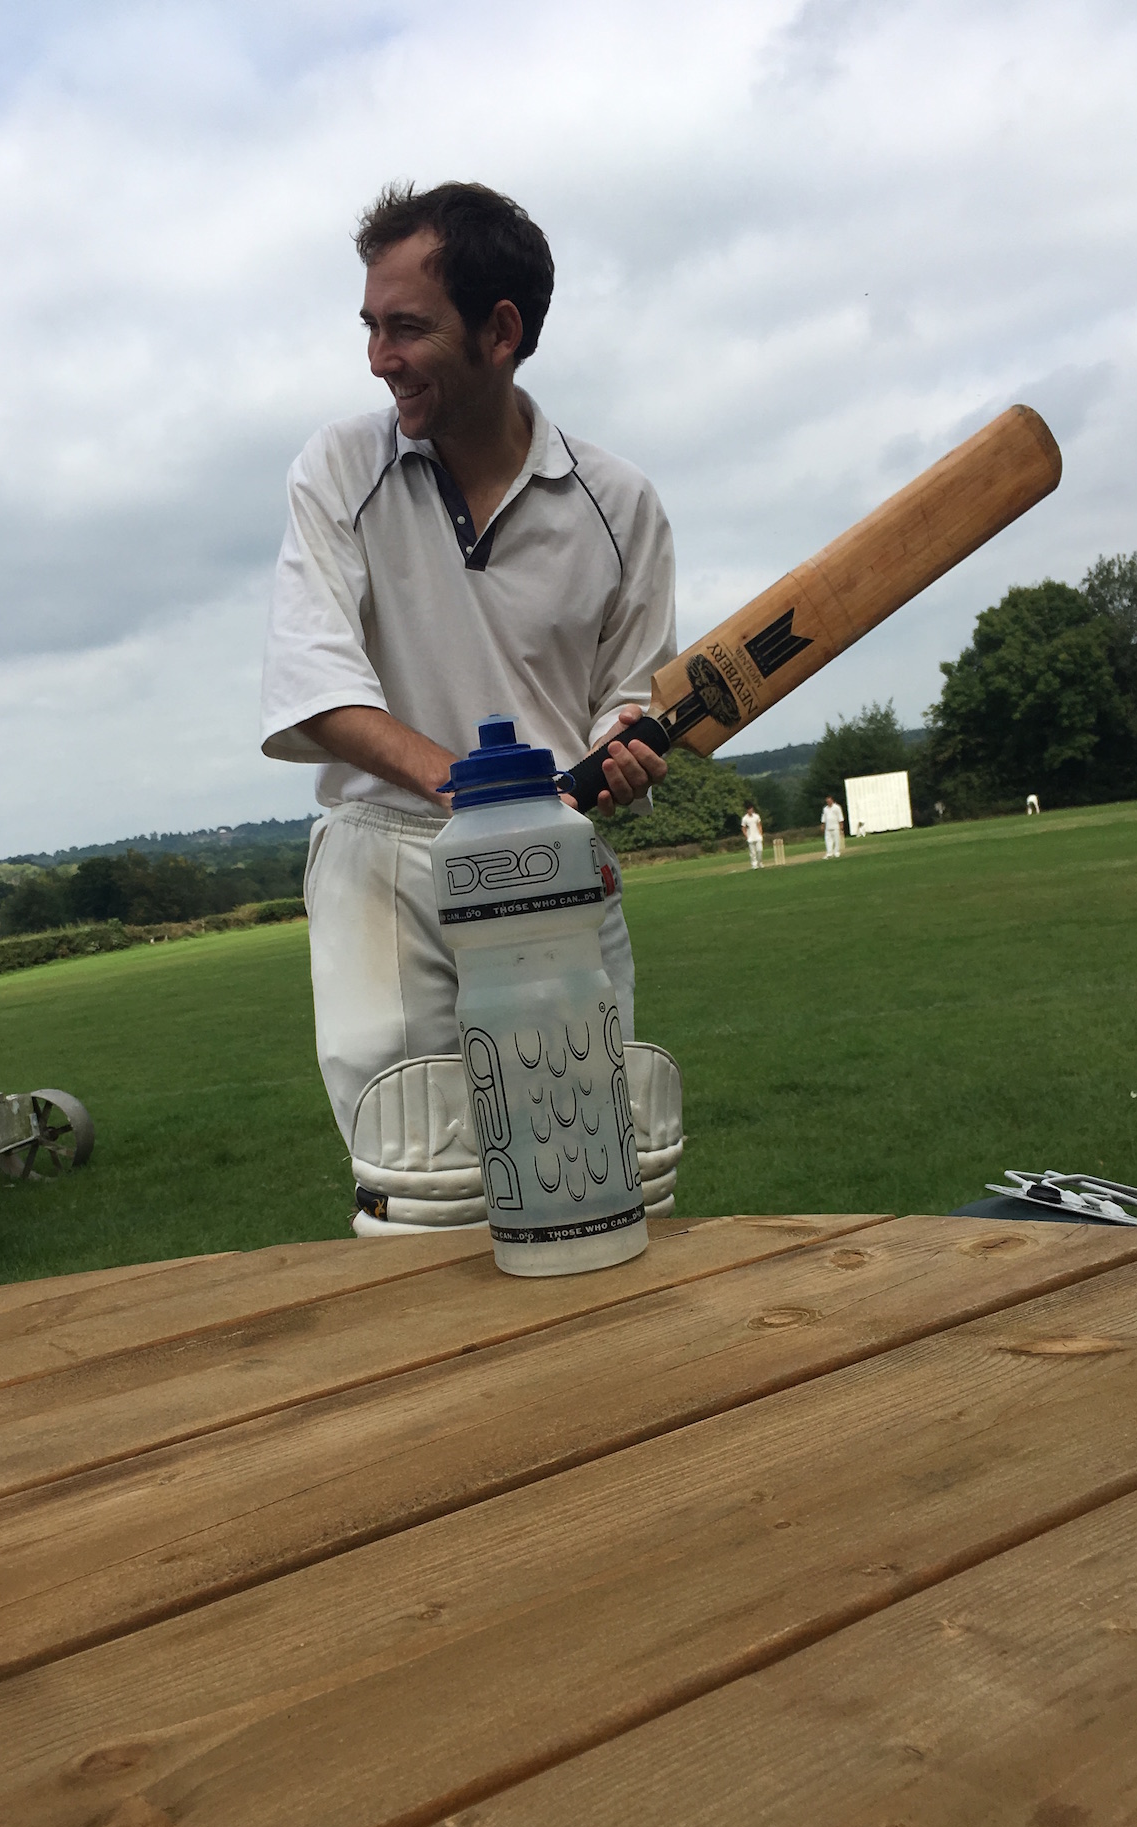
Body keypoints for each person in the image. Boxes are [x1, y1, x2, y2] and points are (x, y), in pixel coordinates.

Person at [259, 181, 673, 1157]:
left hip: (555, 858)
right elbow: (317, 686)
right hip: (385, 860)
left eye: (407, 327)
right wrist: (479, 791)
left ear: (500, 331)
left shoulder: (620, 503)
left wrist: (621, 750)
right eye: (370, 326)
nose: (378, 358)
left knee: (580, 1160)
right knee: (418, 1175)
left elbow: (628, 697)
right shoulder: (338, 468)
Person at [821, 793, 845, 858]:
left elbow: (840, 817)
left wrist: (841, 825)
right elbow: (824, 818)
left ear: (832, 800)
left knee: (837, 840)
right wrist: (823, 825)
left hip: (835, 827)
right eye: (827, 801)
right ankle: (829, 853)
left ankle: (836, 852)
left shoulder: (837, 807)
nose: (828, 802)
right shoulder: (825, 809)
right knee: (828, 841)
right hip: (828, 828)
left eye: (829, 801)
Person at [741, 803, 764, 869]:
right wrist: (747, 836)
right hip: (750, 837)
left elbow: (759, 825)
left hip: (757, 836)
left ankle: (760, 863)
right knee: (753, 853)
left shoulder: (756, 816)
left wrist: (760, 833)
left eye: (751, 809)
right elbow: (743, 828)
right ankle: (754, 865)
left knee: (760, 850)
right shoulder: (745, 818)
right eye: (749, 809)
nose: (751, 810)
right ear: (747, 810)